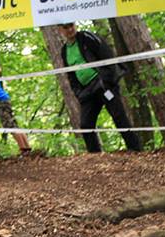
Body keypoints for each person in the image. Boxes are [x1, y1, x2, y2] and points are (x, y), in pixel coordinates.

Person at [57, 22, 142, 153]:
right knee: (85, 124)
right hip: (87, 91)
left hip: (103, 86)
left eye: (71, 25)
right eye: (66, 27)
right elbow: (70, 74)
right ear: (60, 30)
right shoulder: (64, 51)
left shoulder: (88, 37)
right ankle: (94, 156)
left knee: (118, 114)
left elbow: (107, 55)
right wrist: (78, 93)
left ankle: (135, 149)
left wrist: (106, 81)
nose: (70, 30)